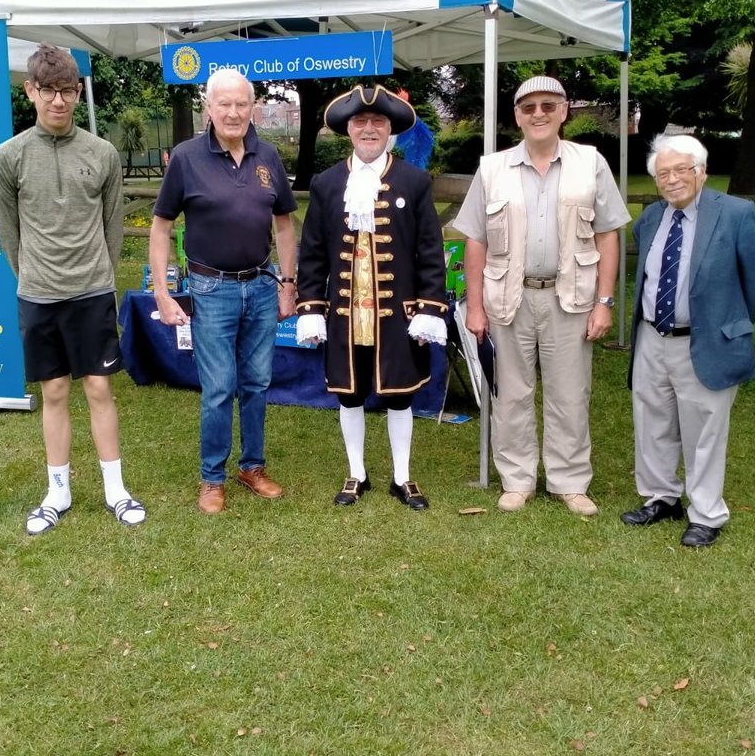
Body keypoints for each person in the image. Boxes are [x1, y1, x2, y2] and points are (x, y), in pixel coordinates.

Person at [453, 75, 631, 515]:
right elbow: (475, 240)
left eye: (548, 106)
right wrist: (474, 306)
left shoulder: (590, 163)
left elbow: (608, 235)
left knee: (570, 393)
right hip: (507, 299)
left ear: (564, 111)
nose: (538, 114)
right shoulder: (492, 168)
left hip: (570, 298)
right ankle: (517, 479)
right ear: (516, 116)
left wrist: (604, 301)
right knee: (509, 393)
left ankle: (569, 481)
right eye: (528, 107)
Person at [0, 44, 145, 535]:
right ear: (31, 91)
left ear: (78, 93)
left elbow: (113, 227)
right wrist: (32, 276)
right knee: (54, 391)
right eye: (48, 91)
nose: (58, 101)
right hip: (37, 295)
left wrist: (97, 273)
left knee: (99, 388)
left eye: (67, 91)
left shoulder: (102, 154)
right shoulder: (9, 156)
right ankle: (57, 492)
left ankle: (115, 491)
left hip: (92, 292)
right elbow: (8, 230)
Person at [149, 69, 297, 515]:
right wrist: (161, 290)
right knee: (219, 388)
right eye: (224, 104)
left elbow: (286, 226)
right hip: (210, 289)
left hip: (261, 286)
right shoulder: (186, 158)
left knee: (257, 382)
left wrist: (288, 285)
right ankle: (212, 478)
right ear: (208, 108)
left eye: (241, 104)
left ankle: (252, 467)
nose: (233, 113)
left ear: (253, 108)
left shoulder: (268, 155)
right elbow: (160, 228)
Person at [296, 84, 449, 510]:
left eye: (377, 122)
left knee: (400, 394)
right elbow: (311, 253)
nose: (368, 128)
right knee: (349, 392)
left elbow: (429, 251)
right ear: (348, 129)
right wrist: (310, 308)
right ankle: (357, 473)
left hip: (396, 314)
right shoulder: (327, 184)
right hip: (347, 314)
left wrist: (430, 308)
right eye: (360, 122)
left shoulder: (413, 181)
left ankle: (402, 477)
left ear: (389, 130)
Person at [621, 134, 755, 547]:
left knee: (704, 429)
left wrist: (728, 323)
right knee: (652, 422)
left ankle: (706, 514)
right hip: (652, 336)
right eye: (663, 173)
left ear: (701, 172)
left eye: (681, 170)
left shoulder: (736, 214)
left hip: (705, 341)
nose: (671, 180)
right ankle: (660, 497)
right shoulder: (651, 219)